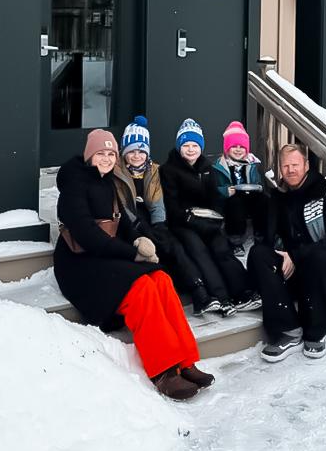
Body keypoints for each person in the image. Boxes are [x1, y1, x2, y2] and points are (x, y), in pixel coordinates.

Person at [54, 127, 214, 400]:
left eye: (110, 153)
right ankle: (163, 370)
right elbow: (88, 235)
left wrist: (140, 241)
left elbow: (124, 221)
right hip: (79, 262)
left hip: (106, 253)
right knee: (141, 287)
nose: (106, 158)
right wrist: (132, 254)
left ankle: (185, 361)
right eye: (100, 153)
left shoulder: (108, 180)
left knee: (161, 279)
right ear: (89, 155)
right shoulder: (74, 185)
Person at [246, 143, 326, 362]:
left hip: (322, 273)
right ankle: (289, 331)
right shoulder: (278, 197)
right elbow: (269, 238)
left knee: (318, 258)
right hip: (291, 272)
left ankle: (315, 334)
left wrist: (296, 256)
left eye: (295, 164)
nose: (290, 170)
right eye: (285, 166)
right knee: (258, 254)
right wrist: (280, 253)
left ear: (306, 165)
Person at [114, 115, 215, 314]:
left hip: (152, 220)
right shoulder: (117, 173)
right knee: (154, 250)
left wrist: (159, 225)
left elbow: (156, 202)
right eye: (132, 151)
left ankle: (198, 290)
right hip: (131, 225)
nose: (137, 156)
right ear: (124, 152)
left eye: (141, 151)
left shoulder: (153, 170)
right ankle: (171, 292)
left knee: (174, 246)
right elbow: (122, 206)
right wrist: (142, 228)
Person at [160, 118, 259, 315]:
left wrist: (216, 218)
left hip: (206, 219)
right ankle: (221, 297)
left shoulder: (207, 167)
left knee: (221, 247)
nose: (190, 149)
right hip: (183, 222)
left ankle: (243, 293)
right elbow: (171, 206)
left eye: (195, 145)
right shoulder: (169, 169)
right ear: (179, 146)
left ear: (201, 147)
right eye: (186, 145)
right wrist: (190, 220)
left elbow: (215, 197)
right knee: (199, 250)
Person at [212, 120, 268, 247]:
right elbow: (213, 190)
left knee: (264, 200)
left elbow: (259, 183)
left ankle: (261, 235)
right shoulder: (218, 167)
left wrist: (258, 187)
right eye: (234, 146)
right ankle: (235, 239)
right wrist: (226, 191)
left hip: (250, 200)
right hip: (230, 205)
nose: (238, 150)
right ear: (227, 148)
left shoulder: (252, 164)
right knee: (235, 202)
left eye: (242, 147)